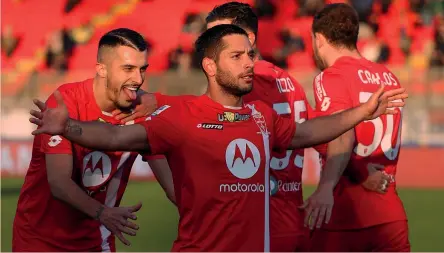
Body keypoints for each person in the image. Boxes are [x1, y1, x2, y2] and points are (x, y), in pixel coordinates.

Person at [29, 24, 407, 252]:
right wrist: (70, 129)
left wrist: (363, 111)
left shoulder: (261, 117)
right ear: (210, 66)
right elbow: (115, 137)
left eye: (250, 55)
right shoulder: (181, 116)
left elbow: (309, 132)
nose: (249, 64)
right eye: (237, 57)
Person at [111, 2, 392, 251]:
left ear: (249, 40)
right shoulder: (287, 81)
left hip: (258, 225)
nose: (213, 42)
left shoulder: (249, 86)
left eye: (220, 34)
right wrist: (355, 172)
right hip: (293, 218)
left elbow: (206, 120)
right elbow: (318, 132)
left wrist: (158, 103)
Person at [12, 28, 150, 252]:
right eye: (128, 69)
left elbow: (170, 174)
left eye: (142, 69)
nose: (138, 79)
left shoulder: (140, 111)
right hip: (39, 242)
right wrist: (103, 213)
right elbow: (59, 183)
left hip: (97, 242)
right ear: (101, 69)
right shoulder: (65, 104)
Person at [303, 3, 411, 252]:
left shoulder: (331, 76)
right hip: (390, 215)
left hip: (345, 214)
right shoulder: (387, 76)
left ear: (319, 39)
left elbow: (342, 134)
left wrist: (354, 175)